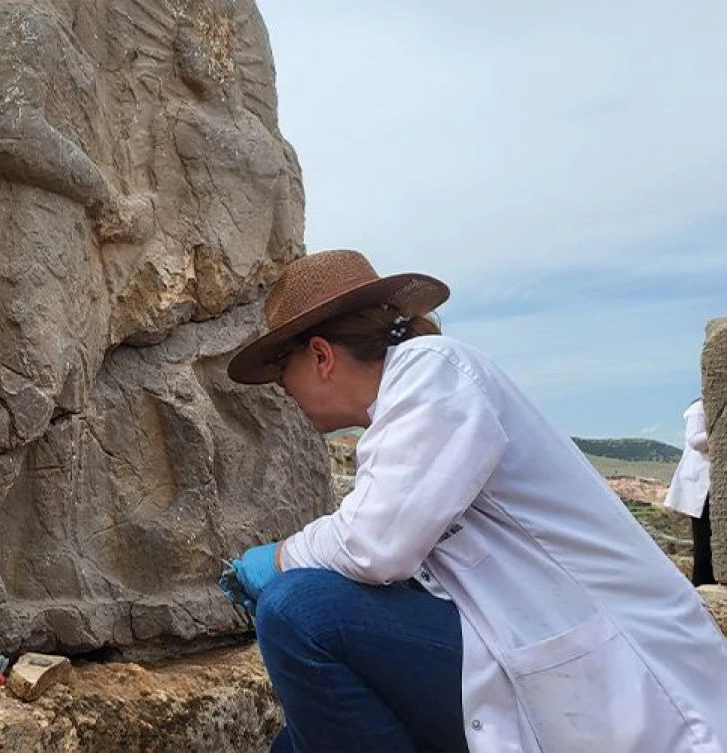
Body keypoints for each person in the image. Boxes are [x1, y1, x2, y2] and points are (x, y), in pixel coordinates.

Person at [220, 250, 727, 753]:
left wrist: (280, 559)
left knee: (297, 613)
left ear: (321, 355)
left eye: (283, 369)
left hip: (623, 686)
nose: (282, 388)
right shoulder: (403, 406)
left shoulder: (432, 372)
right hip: (527, 651)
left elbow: (374, 544)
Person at [666, 398, 716, 586]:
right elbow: (695, 440)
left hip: (713, 481)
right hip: (701, 483)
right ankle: (702, 582)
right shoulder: (699, 408)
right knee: (703, 539)